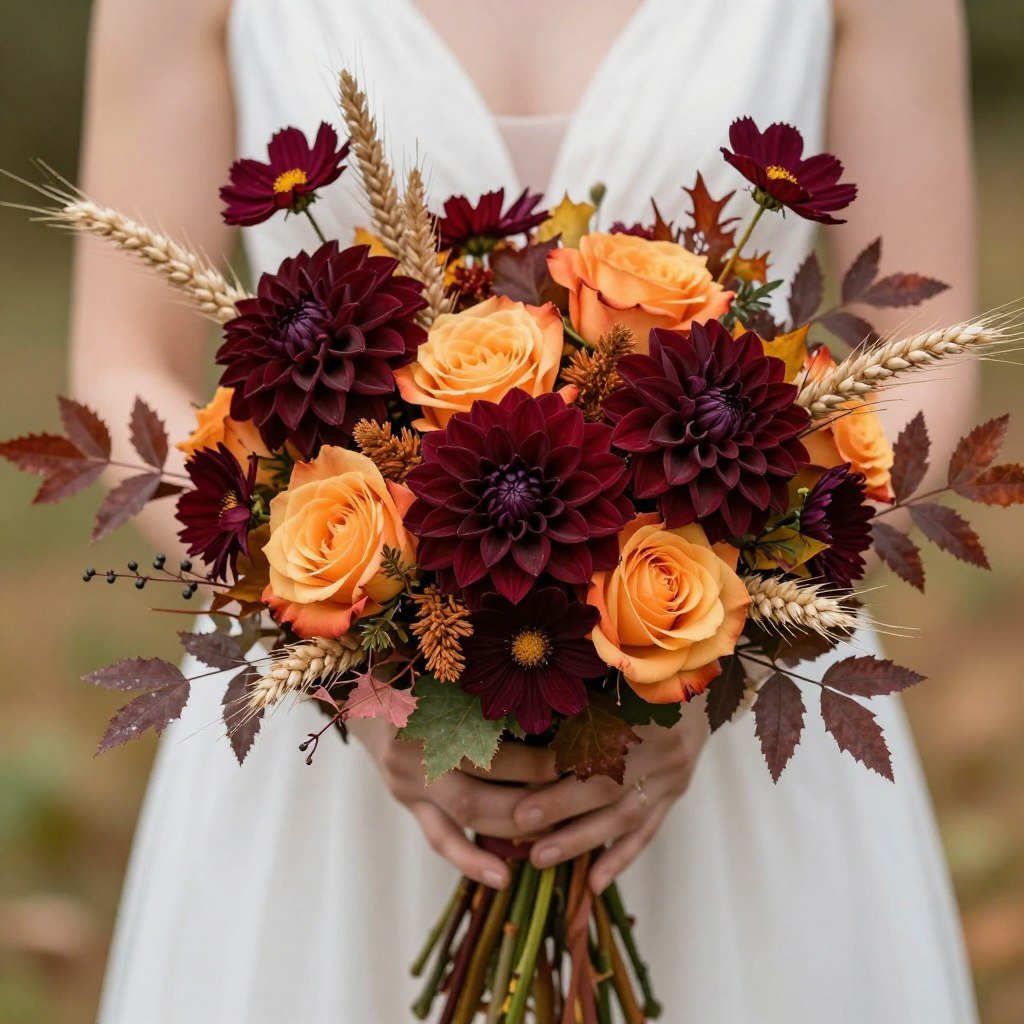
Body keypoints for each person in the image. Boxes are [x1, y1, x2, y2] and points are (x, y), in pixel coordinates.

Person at [77, 1, 979, 1020]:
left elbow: (928, 355)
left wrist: (714, 652)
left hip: (739, 750)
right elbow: (117, 368)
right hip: (326, 747)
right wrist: (352, 674)